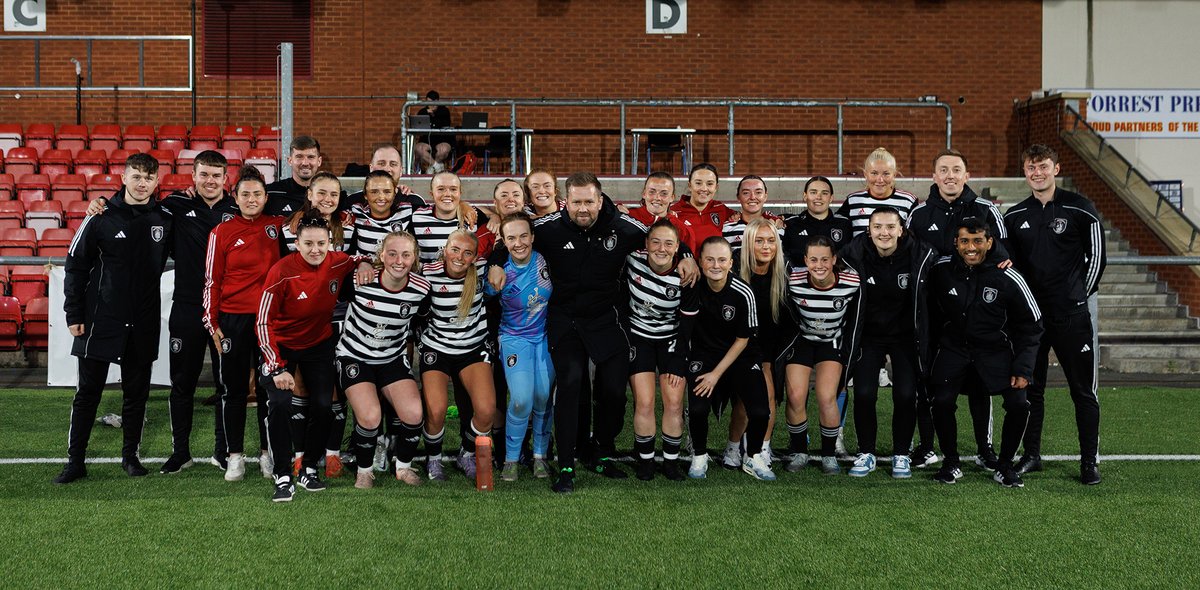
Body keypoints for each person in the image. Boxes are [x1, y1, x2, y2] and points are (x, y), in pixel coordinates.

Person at [487, 172, 698, 493]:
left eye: (588, 201)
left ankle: (599, 448)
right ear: (565, 202)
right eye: (576, 202)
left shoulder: (623, 227)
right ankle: (567, 466)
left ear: (600, 200)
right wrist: (497, 261)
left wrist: (685, 256)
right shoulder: (550, 227)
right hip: (564, 320)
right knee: (571, 385)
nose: (582, 208)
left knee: (613, 392)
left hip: (605, 319)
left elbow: (658, 236)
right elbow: (515, 238)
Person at [85, 149, 242, 474]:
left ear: (226, 179)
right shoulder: (175, 206)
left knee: (226, 384)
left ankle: (223, 451)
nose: (210, 181)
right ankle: (180, 452)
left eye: (216, 175)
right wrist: (101, 201)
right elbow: (134, 206)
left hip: (227, 312)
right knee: (181, 383)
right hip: (186, 310)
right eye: (204, 175)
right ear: (193, 177)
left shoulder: (238, 209)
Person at [56, 153, 172, 484]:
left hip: (143, 322)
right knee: (87, 394)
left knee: (136, 395)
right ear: (123, 177)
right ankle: (75, 461)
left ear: (157, 181)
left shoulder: (165, 218)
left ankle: (130, 457)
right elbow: (75, 265)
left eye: (149, 177)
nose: (142, 182)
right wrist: (74, 312)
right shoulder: (100, 216)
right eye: (136, 176)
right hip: (99, 320)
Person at [1003, 144, 1106, 485]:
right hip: (1032, 322)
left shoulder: (1081, 209)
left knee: (1083, 391)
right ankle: (1032, 455)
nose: (1038, 173)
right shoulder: (1015, 216)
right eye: (1031, 168)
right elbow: (1011, 267)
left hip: (1072, 318)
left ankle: (1089, 462)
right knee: (1032, 391)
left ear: (1056, 169)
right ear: (1025, 173)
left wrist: (1077, 298)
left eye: (1043, 166)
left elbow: (1098, 260)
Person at [908, 148, 1009, 470]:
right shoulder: (919, 214)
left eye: (956, 170)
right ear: (934, 176)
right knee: (928, 381)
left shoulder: (986, 210)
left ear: (967, 175)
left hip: (975, 316)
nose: (950, 175)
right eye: (944, 170)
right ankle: (926, 446)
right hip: (932, 315)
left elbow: (1004, 255)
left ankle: (985, 447)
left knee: (980, 384)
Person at [257, 212, 368, 502]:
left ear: (331, 242)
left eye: (321, 243)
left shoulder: (338, 261)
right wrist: (276, 366)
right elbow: (262, 322)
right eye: (308, 244)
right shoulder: (281, 271)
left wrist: (365, 261)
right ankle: (282, 473)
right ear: (297, 242)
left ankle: (308, 468)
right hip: (281, 346)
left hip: (318, 345)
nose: (315, 250)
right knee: (279, 404)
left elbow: (359, 258)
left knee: (323, 406)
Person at [928, 220, 1042, 487]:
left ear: (990, 243)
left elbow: (1032, 325)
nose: (971, 247)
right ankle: (951, 462)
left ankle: (1004, 466)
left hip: (996, 351)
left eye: (978, 241)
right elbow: (928, 316)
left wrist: (1023, 368)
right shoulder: (941, 271)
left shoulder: (1008, 275)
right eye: (965, 241)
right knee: (941, 401)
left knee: (1018, 403)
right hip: (954, 349)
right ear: (956, 243)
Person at [837, 208, 935, 479]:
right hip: (868, 336)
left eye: (890, 227)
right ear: (869, 230)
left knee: (905, 394)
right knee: (865, 393)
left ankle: (901, 454)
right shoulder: (853, 254)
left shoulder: (920, 254)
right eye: (878, 226)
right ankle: (866, 452)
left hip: (904, 336)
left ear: (901, 229)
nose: (884, 232)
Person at [203, 166, 283, 481]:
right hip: (233, 321)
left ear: (266, 198)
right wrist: (212, 322)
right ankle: (234, 455)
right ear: (234, 197)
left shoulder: (278, 228)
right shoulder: (220, 232)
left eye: (257, 194)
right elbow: (212, 281)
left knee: (268, 390)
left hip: (268, 322)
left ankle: (267, 454)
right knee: (233, 391)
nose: (251, 199)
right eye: (245, 194)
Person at [336, 230, 431, 489]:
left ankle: (403, 468)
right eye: (392, 254)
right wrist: (361, 261)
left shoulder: (421, 289)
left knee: (413, 413)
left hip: (391, 357)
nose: (398, 261)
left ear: (414, 258)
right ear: (381, 256)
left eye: (405, 255)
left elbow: (423, 318)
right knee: (370, 417)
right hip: (355, 356)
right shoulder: (359, 280)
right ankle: (364, 471)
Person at [279, 171, 356, 478]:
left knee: (333, 387)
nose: (327, 200)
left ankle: (332, 452)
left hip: (339, 315)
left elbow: (356, 260)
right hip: (298, 318)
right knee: (300, 384)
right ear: (309, 193)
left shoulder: (349, 226)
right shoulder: (288, 228)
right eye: (321, 193)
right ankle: (300, 453)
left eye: (333, 195)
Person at [680, 237, 775, 481]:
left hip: (742, 354)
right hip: (704, 355)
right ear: (699, 262)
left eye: (722, 260)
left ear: (731, 263)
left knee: (761, 411)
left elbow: (743, 340)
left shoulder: (744, 292)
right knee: (699, 407)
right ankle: (699, 456)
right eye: (709, 259)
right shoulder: (693, 286)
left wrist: (716, 375)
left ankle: (753, 457)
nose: (715, 265)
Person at [418, 229, 497, 482]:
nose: (460, 257)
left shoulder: (483, 270)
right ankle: (433, 459)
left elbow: (502, 243)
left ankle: (466, 452)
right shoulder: (427, 272)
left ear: (475, 257)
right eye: (455, 249)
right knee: (437, 409)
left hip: (472, 348)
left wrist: (493, 218)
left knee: (486, 411)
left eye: (467, 253)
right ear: (445, 249)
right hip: (436, 347)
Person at [782, 236, 862, 475]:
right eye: (813, 259)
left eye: (825, 259)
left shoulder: (851, 281)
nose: (819, 265)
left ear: (834, 259)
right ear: (805, 260)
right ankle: (799, 451)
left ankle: (828, 455)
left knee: (827, 396)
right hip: (803, 340)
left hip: (831, 341)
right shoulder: (793, 279)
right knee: (796, 395)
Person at [485, 213, 555, 481]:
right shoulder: (500, 272)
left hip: (545, 337)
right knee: (521, 399)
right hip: (515, 339)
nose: (519, 243)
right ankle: (511, 459)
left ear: (533, 237)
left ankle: (540, 456)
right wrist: (494, 263)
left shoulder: (544, 259)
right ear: (503, 241)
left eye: (524, 236)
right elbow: (483, 298)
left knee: (543, 396)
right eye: (511, 237)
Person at [720, 219, 792, 470]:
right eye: (759, 241)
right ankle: (732, 447)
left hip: (770, 348)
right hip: (740, 345)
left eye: (771, 240)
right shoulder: (734, 273)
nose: (765, 246)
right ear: (748, 244)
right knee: (743, 400)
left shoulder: (783, 273)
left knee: (769, 395)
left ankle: (762, 448)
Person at [622, 219, 688, 481]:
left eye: (668, 243)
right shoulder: (632, 259)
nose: (661, 248)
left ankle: (671, 462)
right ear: (647, 244)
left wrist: (680, 356)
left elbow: (688, 322)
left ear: (677, 247)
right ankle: (646, 461)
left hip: (672, 339)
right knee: (645, 402)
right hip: (640, 338)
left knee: (673, 402)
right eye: (656, 242)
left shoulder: (686, 273)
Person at [838, 147, 918, 236]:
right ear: (865, 174)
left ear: (894, 175)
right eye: (874, 173)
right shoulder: (853, 201)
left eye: (886, 174)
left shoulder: (908, 201)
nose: (880, 179)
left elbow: (914, 239)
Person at [781, 176, 853, 264]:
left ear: (831, 198)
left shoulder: (845, 224)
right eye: (813, 192)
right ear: (805, 196)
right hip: (797, 277)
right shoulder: (791, 223)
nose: (818, 197)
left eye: (825, 193)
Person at [626, 172, 697, 253]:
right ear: (644, 194)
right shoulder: (627, 218)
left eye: (664, 194)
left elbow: (688, 262)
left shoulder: (683, 230)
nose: (657, 198)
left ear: (672, 197)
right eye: (652, 192)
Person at [341, 144, 425, 212]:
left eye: (393, 164)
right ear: (371, 168)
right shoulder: (352, 201)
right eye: (381, 163)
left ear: (401, 171)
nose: (387, 169)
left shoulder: (415, 202)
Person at [670, 163, 734, 244]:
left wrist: (736, 215)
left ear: (716, 188)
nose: (704, 188)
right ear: (690, 186)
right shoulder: (674, 212)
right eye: (698, 183)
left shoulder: (721, 208)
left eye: (710, 184)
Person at [721, 175, 783, 254]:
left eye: (758, 192)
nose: (752, 197)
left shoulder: (777, 227)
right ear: (738, 197)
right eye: (746, 193)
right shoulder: (726, 229)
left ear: (765, 196)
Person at [266, 135, 324, 216]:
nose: (305, 163)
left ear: (319, 161)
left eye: (311, 157)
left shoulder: (331, 195)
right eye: (299, 157)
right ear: (290, 161)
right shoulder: (271, 192)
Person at [414, 90, 454, 174]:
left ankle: (431, 169)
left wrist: (433, 116)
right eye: (429, 102)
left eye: (434, 102)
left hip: (441, 139)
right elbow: (417, 127)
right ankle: (437, 166)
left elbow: (445, 125)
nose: (431, 105)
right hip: (426, 140)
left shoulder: (444, 111)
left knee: (444, 150)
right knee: (419, 149)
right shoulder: (422, 112)